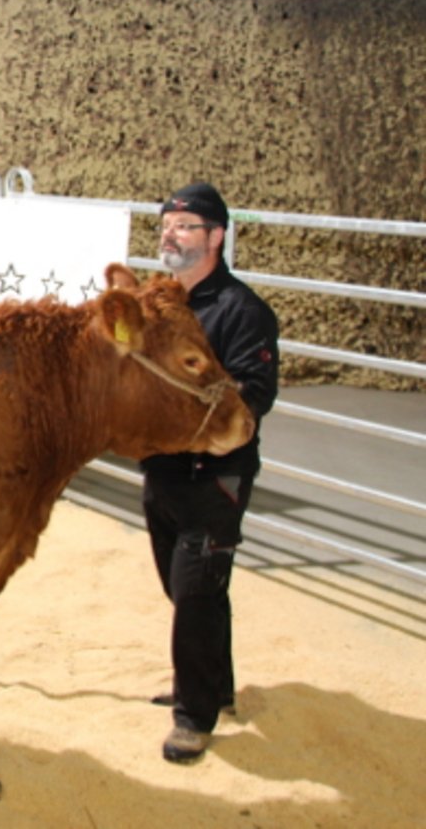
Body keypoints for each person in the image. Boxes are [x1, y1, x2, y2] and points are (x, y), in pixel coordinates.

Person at [140, 182, 279, 764]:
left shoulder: (243, 311)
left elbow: (256, 393)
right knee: (185, 587)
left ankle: (193, 716)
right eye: (167, 225)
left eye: (186, 226)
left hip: (216, 477)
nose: (171, 234)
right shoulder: (160, 304)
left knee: (196, 592)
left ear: (217, 236)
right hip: (163, 471)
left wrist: (181, 409)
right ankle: (214, 686)